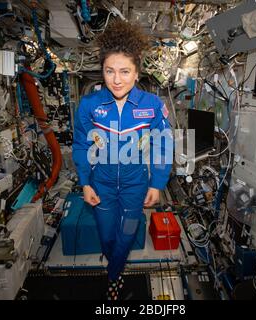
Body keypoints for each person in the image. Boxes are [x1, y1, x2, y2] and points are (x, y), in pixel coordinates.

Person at [72, 20, 173, 300]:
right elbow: (80, 144)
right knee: (106, 236)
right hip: (100, 185)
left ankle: (114, 273)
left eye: (125, 71)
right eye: (110, 71)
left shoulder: (152, 106)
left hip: (134, 187)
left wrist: (157, 183)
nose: (117, 79)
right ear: (102, 71)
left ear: (137, 73)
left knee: (127, 234)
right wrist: (85, 183)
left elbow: (163, 145)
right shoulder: (90, 105)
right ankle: (113, 262)